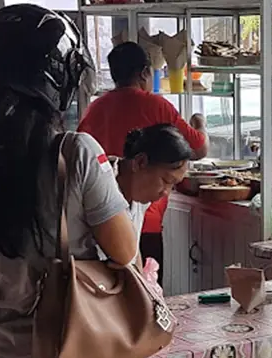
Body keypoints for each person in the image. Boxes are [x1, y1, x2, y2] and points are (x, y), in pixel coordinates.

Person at [0, 5, 138, 358]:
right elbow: (123, 252)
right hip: (78, 344)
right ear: (61, 78)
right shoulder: (77, 152)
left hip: (2, 352)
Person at [78, 41, 208, 278]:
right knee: (135, 282)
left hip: (104, 216)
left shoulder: (95, 108)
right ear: (145, 73)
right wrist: (200, 124)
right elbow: (199, 148)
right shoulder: (156, 105)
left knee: (140, 282)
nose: (167, 190)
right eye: (166, 181)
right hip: (142, 222)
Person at [105, 124, 193, 266]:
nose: (166, 192)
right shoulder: (102, 183)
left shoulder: (140, 198)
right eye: (166, 181)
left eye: (172, 185)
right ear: (140, 162)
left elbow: (133, 251)